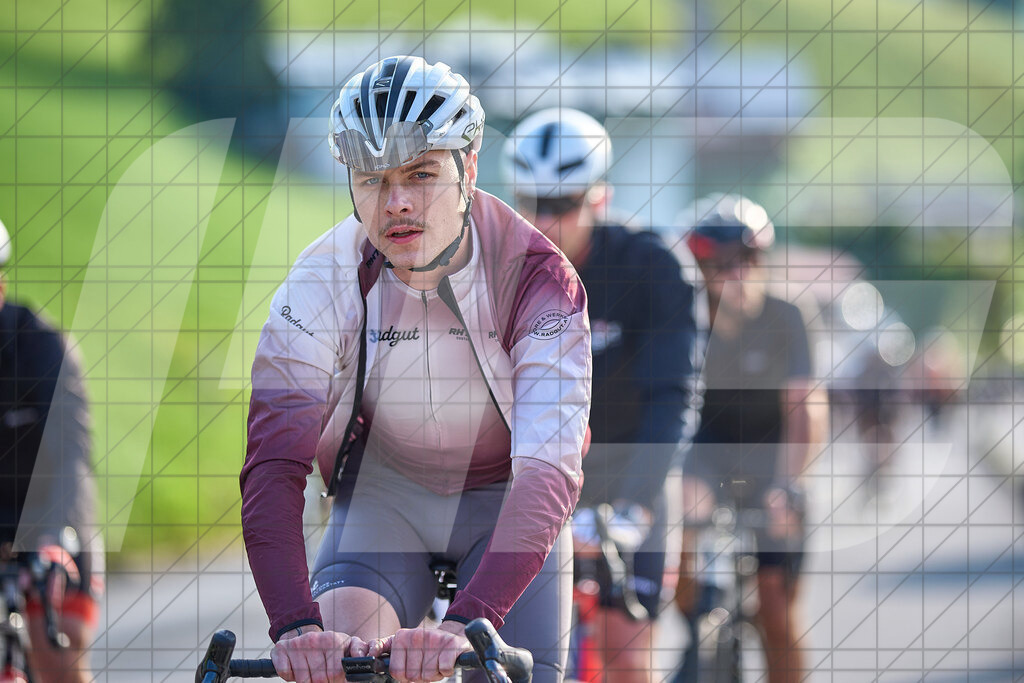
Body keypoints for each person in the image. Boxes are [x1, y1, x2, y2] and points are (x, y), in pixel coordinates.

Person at [240, 56, 592, 683]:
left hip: (504, 498)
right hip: (383, 495)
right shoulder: (322, 277)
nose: (396, 203)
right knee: (344, 664)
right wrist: (295, 626)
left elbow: (547, 473)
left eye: (421, 173)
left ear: (469, 168)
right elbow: (273, 464)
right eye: (372, 180)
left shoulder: (538, 278)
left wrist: (469, 620)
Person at [503, 108, 704, 683]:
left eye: (563, 204)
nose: (545, 220)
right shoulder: (497, 271)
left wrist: (637, 503)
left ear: (600, 198)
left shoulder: (656, 267)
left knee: (623, 652)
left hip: (629, 473)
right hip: (535, 478)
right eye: (531, 202)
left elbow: (673, 396)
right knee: (510, 658)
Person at [672, 195, 827, 683]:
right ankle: (705, 635)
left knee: (777, 611)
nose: (736, 274)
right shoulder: (687, 321)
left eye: (748, 261)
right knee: (678, 544)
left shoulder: (787, 316)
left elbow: (805, 408)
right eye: (719, 265)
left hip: (774, 461)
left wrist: (789, 483)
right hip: (708, 457)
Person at [0, 219, 102, 683]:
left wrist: (52, 536)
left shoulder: (43, 347)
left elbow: (70, 456)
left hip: (51, 524)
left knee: (53, 649)